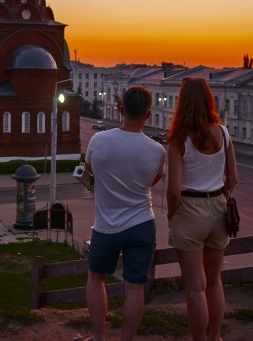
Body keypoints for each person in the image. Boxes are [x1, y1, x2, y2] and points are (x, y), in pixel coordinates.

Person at [81, 86, 166, 341]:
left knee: (96, 279)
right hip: (142, 224)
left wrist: (100, 185)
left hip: (107, 226)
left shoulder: (99, 140)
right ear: (148, 115)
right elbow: (150, 182)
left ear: (120, 111)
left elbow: (88, 177)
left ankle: (99, 337)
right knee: (134, 285)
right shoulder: (157, 151)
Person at [165, 77, 238, 341]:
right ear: (209, 100)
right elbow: (234, 178)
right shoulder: (224, 133)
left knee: (195, 287)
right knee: (215, 280)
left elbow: (173, 190)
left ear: (182, 103)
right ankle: (215, 337)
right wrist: (220, 196)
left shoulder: (178, 140)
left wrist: (172, 213)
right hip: (219, 208)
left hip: (189, 209)